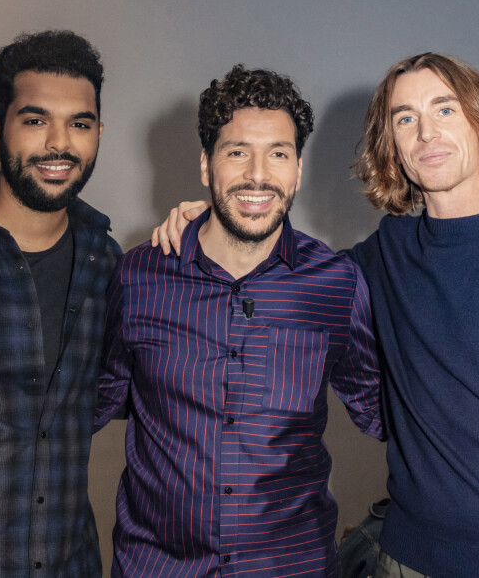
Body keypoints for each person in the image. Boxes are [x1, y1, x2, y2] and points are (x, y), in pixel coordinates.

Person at [155, 53, 479, 578]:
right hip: (404, 556)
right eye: (405, 118)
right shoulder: (383, 254)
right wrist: (215, 216)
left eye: (445, 110)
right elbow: (286, 268)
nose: (425, 133)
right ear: (390, 142)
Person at [95, 64, 383, 577]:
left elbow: (389, 416)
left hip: (292, 567)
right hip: (158, 567)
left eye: (278, 153)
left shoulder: (337, 286)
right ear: (207, 166)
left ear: (298, 168)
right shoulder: (139, 276)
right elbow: (89, 403)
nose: (257, 174)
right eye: (237, 152)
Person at [0, 30, 122, 576]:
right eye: (36, 119)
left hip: (71, 562)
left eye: (80, 123)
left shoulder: (107, 260)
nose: (59, 144)